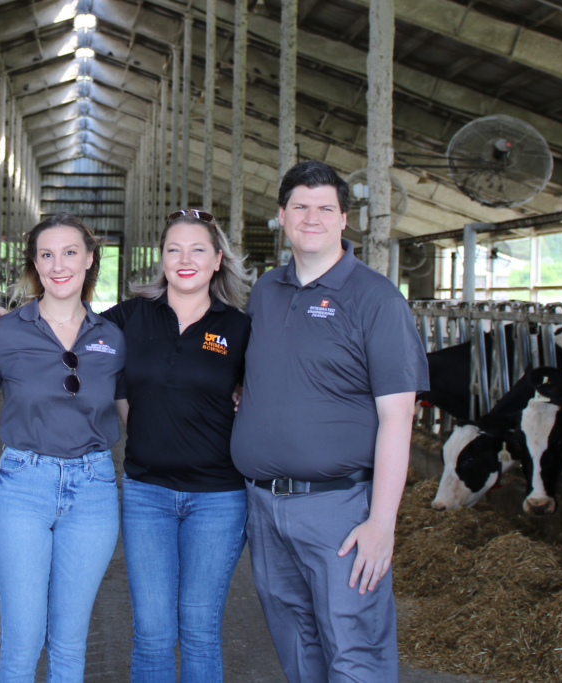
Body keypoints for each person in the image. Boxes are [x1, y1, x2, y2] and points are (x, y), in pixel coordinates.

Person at [0, 210, 252, 683]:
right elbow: (59, 318)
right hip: (141, 489)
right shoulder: (129, 318)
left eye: (197, 250)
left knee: (198, 629)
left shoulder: (240, 329)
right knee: (146, 632)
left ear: (218, 260)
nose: (184, 259)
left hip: (214, 494)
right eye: (173, 249)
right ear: (161, 259)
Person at [230, 161, 429, 683]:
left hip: (338, 509)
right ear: (281, 217)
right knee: (296, 641)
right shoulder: (266, 292)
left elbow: (397, 418)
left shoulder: (376, 298)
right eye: (300, 206)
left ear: (345, 219)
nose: (311, 217)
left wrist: (382, 522)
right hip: (264, 504)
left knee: (353, 646)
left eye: (325, 208)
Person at [0, 213, 125, 683]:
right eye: (46, 254)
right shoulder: (2, 332)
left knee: (69, 642)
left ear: (88, 259)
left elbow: (138, 412)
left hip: (94, 488)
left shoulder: (113, 337)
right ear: (35, 265)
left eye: (69, 252)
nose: (58, 265)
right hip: (23, 483)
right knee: (21, 641)